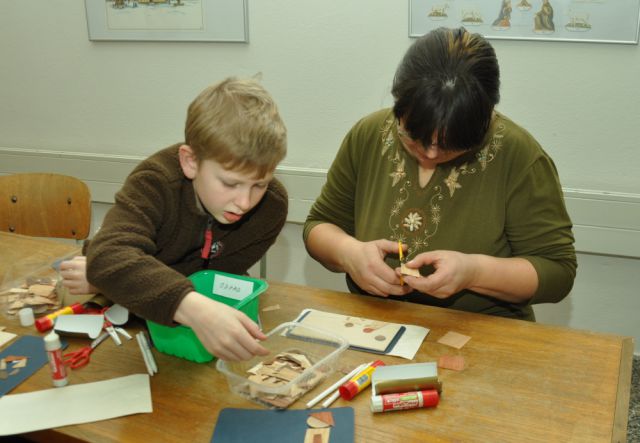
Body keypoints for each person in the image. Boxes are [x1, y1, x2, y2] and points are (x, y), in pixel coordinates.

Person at [303, 27, 576, 321]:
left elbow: (557, 271)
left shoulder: (519, 155)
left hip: (483, 330)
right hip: (375, 324)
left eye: (451, 145)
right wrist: (348, 253)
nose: (431, 154)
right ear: (399, 106)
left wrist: (475, 272)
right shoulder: (369, 135)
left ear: (485, 118)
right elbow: (319, 225)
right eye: (414, 137)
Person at [60, 77, 288, 360]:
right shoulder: (155, 182)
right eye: (230, 183)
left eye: (260, 184)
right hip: (136, 339)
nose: (244, 202)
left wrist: (114, 281)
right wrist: (112, 272)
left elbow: (211, 281)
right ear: (190, 162)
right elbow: (109, 255)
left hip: (182, 335)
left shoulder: (271, 207)